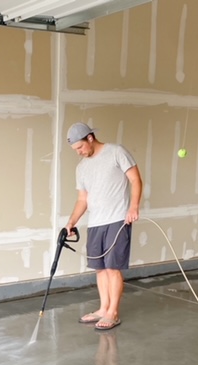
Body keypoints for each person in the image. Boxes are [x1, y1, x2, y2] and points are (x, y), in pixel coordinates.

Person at [64, 122, 142, 330]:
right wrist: (71, 222)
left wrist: (133, 207)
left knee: (112, 267)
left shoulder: (116, 152)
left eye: (80, 148)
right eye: (75, 150)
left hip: (117, 219)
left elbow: (135, 180)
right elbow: (82, 199)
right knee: (99, 268)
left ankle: (113, 313)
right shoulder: (81, 168)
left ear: (90, 138)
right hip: (95, 222)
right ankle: (103, 308)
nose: (79, 153)